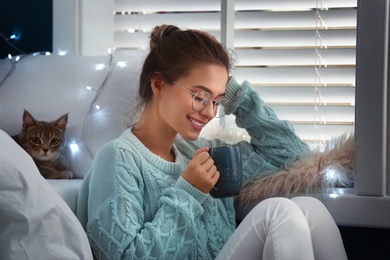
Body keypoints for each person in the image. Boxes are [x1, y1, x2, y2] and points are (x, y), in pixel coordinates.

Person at [76, 24, 347, 260]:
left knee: (310, 209)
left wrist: (230, 89)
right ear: (158, 85)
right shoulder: (117, 159)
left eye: (216, 100)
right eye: (200, 95)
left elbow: (292, 155)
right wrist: (189, 192)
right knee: (277, 212)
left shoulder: (203, 154)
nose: (209, 112)